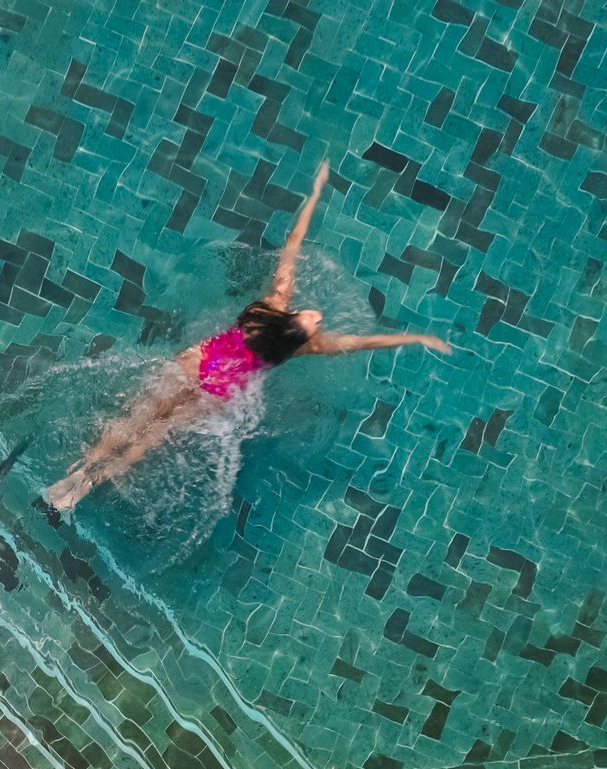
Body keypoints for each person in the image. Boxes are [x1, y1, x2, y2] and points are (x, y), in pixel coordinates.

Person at [44, 160, 450, 513]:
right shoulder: (298, 350)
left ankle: (82, 467)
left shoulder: (271, 306)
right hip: (218, 392)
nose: (318, 315)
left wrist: (314, 192)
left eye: (312, 318)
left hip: (197, 362)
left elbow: (292, 245)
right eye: (314, 318)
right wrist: (413, 338)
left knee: (140, 416)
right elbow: (359, 343)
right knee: (154, 435)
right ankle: (84, 488)